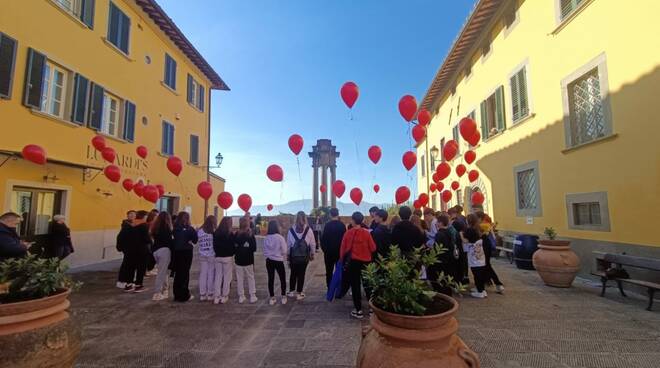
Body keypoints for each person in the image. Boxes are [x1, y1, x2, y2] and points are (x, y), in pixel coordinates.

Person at [340, 212, 377, 319]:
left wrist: (342, 260)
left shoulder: (348, 233)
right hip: (366, 262)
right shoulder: (367, 233)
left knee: (355, 286)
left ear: (353, 220)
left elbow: (343, 249)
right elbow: (373, 248)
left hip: (353, 263)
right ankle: (371, 309)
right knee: (368, 285)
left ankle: (358, 310)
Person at [116, 210, 152, 293]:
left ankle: (128, 285)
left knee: (130, 267)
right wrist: (151, 241)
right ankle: (138, 286)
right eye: (146, 217)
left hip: (129, 250)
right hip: (141, 251)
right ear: (143, 217)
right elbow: (146, 239)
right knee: (141, 268)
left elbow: (121, 237)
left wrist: (121, 247)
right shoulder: (143, 226)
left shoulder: (127, 225)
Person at [287, 211, 316, 300]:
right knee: (301, 274)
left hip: (293, 256)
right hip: (304, 256)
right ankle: (299, 293)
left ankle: (291, 291)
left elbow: (288, 244)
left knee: (293, 273)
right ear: (305, 218)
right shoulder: (308, 229)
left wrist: (288, 256)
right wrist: (312, 253)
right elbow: (312, 243)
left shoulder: (291, 230)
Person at [429, 213, 460, 295]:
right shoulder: (449, 232)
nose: (436, 223)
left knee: (440, 278)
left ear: (441, 223)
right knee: (447, 278)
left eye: (438, 222)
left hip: (441, 260)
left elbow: (437, 248)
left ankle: (442, 294)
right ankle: (448, 294)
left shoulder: (439, 234)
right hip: (449, 259)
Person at [172, 212, 198, 302]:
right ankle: (184, 295)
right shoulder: (190, 229)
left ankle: (176, 295)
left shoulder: (174, 229)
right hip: (186, 252)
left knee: (178, 274)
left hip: (176, 253)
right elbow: (195, 240)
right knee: (185, 273)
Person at [477, 211, 504, 294]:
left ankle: (497, 284)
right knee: (487, 266)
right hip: (487, 246)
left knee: (486, 266)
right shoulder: (488, 224)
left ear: (479, 218)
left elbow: (479, 235)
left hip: (484, 246)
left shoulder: (482, 225)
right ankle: (490, 283)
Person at [263, 220, 288, 305]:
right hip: (278, 260)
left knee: (271, 279)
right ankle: (283, 296)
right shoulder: (280, 237)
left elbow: (265, 251)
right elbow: (285, 250)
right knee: (282, 278)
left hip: (269, 261)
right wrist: (279, 254)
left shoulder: (266, 238)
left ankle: (272, 297)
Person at [463, 214, 487, 298]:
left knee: (476, 273)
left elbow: (465, 240)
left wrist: (460, 235)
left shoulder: (469, 230)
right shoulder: (478, 228)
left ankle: (480, 292)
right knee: (480, 272)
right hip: (480, 253)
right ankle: (482, 289)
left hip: (473, 253)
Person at [320, 208, 346, 289]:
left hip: (328, 253)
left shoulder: (327, 225)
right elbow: (345, 239)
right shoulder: (342, 225)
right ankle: (339, 288)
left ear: (330, 215)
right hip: (339, 252)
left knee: (329, 271)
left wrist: (325, 250)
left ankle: (330, 288)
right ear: (338, 214)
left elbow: (322, 239)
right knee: (339, 271)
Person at [234, 217, 258, 304]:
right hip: (248, 260)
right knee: (250, 277)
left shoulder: (236, 234)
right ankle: (252, 295)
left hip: (238, 260)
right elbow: (254, 248)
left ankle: (241, 296)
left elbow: (234, 247)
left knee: (240, 278)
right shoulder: (250, 235)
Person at [150, 212, 173, 301]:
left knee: (163, 271)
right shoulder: (167, 228)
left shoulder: (155, 227)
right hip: (164, 250)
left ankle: (165, 290)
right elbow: (169, 241)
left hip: (156, 251)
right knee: (162, 273)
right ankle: (157, 292)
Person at [213, 217, 235, 304]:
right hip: (227, 257)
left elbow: (214, 245)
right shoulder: (230, 234)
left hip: (218, 256)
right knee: (227, 277)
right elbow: (233, 246)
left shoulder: (216, 233)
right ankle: (224, 295)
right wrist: (232, 253)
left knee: (218, 277)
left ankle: (216, 296)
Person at [198, 216, 217, 302]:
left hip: (202, 254)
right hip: (211, 254)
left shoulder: (200, 231)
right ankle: (210, 293)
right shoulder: (213, 232)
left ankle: (202, 294)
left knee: (203, 274)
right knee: (211, 274)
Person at [448, 206, 469, 286]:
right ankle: (464, 278)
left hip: (458, 244)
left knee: (459, 262)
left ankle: (459, 280)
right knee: (463, 261)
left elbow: (457, 234)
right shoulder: (461, 220)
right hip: (461, 245)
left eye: (449, 214)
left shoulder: (456, 223)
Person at [116, 210, 136, 289]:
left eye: (134, 214)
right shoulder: (126, 224)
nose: (132, 216)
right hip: (128, 248)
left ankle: (129, 280)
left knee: (130, 265)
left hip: (132, 247)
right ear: (127, 216)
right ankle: (122, 280)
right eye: (130, 214)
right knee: (126, 264)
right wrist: (120, 247)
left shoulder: (134, 224)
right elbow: (120, 237)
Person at [145, 209, 159, 276]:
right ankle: (148, 270)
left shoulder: (151, 224)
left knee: (151, 257)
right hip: (149, 243)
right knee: (150, 257)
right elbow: (149, 233)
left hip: (151, 242)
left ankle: (149, 269)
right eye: (156, 216)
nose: (157, 217)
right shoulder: (150, 224)